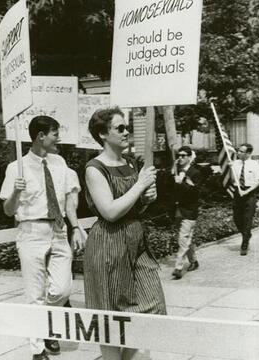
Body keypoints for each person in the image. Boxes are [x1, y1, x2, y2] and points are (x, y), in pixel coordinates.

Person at [84, 107, 166, 360]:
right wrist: (140, 186)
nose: (126, 131)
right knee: (109, 319)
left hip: (135, 242)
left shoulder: (129, 164)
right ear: (102, 134)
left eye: (126, 126)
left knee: (151, 306)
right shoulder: (94, 168)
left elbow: (133, 205)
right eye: (119, 128)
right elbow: (109, 211)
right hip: (108, 245)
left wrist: (147, 198)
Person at [0, 116, 83, 360]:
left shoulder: (60, 163)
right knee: (34, 295)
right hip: (31, 232)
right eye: (55, 133)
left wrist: (75, 227)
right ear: (40, 136)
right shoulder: (17, 168)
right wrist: (16, 190)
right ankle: (38, 350)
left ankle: (46, 323)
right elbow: (8, 210)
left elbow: (69, 200)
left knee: (62, 290)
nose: (59, 138)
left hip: (58, 231)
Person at [171, 145, 203, 279]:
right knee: (186, 238)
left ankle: (178, 267)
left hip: (189, 210)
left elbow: (195, 193)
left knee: (183, 238)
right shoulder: (176, 171)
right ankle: (194, 261)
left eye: (183, 155)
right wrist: (173, 175)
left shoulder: (195, 172)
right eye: (179, 155)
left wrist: (181, 183)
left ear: (190, 157)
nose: (180, 158)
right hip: (177, 209)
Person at [231, 143, 259, 255]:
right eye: (238, 151)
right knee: (236, 218)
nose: (238, 153)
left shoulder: (254, 164)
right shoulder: (234, 164)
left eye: (241, 151)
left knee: (247, 218)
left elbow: (257, 181)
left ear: (248, 153)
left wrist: (246, 191)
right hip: (237, 192)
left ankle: (244, 243)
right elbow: (232, 179)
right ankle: (246, 234)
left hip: (249, 193)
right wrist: (229, 168)